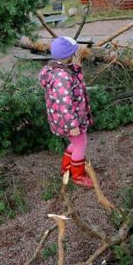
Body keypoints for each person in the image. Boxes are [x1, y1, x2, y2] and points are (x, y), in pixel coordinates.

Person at [39, 36, 94, 189]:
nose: (78, 54)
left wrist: (76, 67)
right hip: (69, 120)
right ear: (69, 55)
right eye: (75, 52)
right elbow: (64, 104)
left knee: (75, 143)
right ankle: (78, 176)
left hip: (69, 118)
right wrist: (72, 125)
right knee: (81, 145)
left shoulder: (61, 70)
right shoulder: (62, 76)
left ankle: (66, 168)